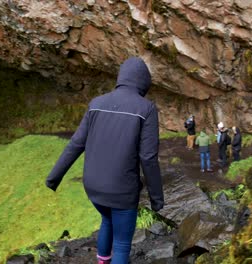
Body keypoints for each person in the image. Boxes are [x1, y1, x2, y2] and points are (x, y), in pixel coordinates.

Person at [45, 57, 164, 264]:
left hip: (93, 187)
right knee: (122, 244)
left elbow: (76, 143)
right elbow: (148, 157)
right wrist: (156, 198)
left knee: (107, 219)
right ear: (144, 81)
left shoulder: (96, 104)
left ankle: (102, 261)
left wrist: (53, 178)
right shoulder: (146, 109)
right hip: (122, 190)